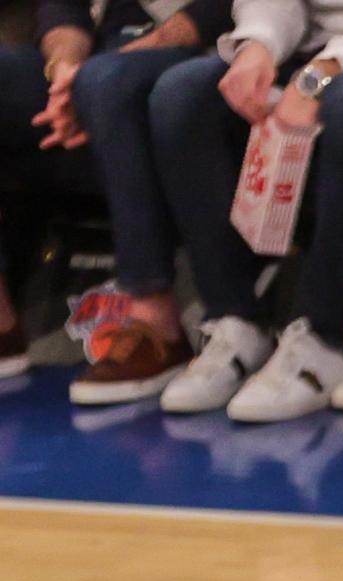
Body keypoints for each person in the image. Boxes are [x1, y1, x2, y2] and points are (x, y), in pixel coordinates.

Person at [129, 0, 343, 421]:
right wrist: (258, 44)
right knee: (183, 95)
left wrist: (323, 71)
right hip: (316, 51)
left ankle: (321, 338)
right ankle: (235, 324)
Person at [0, 0, 232, 385]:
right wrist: (64, 72)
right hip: (101, 58)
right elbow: (64, 13)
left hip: (214, 53)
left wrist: (95, 74)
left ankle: (156, 327)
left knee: (107, 83)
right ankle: (4, 330)